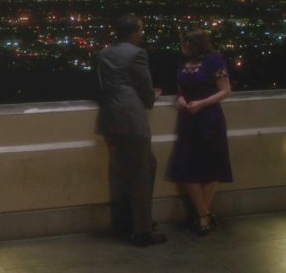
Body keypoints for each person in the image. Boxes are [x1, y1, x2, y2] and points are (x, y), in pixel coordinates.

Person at [95, 14, 166, 247]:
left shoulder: (104, 53)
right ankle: (143, 231)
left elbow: (104, 86)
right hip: (131, 118)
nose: (143, 34)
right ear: (134, 32)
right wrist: (151, 98)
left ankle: (125, 222)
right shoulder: (137, 54)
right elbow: (145, 87)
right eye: (141, 30)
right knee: (142, 172)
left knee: (122, 172)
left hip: (109, 118)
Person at [168, 28, 233, 236]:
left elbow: (225, 90)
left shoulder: (214, 61)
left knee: (211, 164)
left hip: (209, 117)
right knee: (187, 166)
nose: (183, 47)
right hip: (189, 119)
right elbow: (182, 87)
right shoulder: (182, 62)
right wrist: (179, 98)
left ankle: (202, 217)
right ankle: (205, 214)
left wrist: (202, 103)